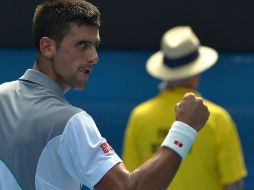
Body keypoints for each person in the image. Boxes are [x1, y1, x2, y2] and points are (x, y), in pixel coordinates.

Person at [0, 1, 210, 190]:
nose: (94, 57)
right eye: (82, 44)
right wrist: (184, 130)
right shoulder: (71, 122)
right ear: (47, 47)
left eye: (95, 45)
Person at [122, 26, 247, 190]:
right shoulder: (217, 118)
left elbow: (131, 181)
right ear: (198, 70)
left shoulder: (139, 116)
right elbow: (234, 184)